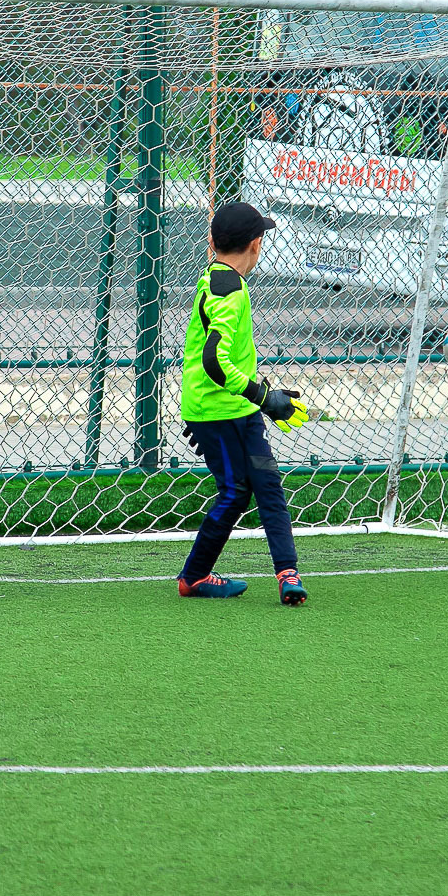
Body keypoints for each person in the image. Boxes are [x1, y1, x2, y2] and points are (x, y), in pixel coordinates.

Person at [177, 202, 312, 605]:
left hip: (239, 409)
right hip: (214, 412)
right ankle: (194, 577)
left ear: (212, 241)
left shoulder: (221, 278)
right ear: (256, 245)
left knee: (267, 485)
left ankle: (288, 575)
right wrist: (262, 396)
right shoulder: (229, 290)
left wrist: (259, 396)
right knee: (235, 492)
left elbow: (225, 357)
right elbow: (214, 362)